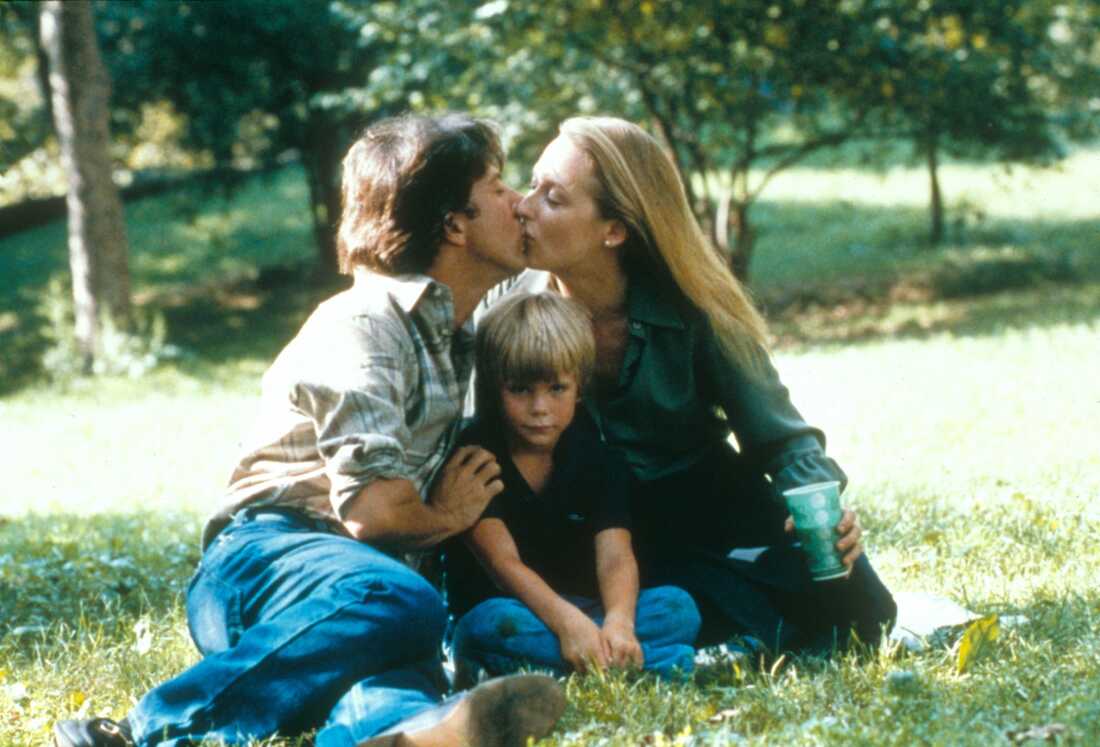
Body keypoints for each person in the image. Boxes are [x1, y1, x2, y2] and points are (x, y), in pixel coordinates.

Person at [52, 114, 566, 747]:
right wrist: (445, 516)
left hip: (359, 597)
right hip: (264, 560)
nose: (520, 203)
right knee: (404, 604)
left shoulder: (454, 332)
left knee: (399, 675)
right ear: (454, 224)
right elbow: (373, 512)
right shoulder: (367, 322)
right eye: (498, 187)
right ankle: (144, 730)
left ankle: (397, 734)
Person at [501, 116, 897, 656]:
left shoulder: (695, 309)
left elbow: (782, 437)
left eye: (552, 197)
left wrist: (822, 512)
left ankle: (703, 618)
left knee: (862, 612)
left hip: (704, 501)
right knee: (690, 600)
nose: (523, 206)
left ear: (614, 230)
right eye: (531, 185)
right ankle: (704, 619)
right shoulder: (512, 309)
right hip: (594, 524)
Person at [442, 291, 700, 683]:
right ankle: (661, 665)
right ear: (495, 388)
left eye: (556, 389)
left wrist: (619, 623)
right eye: (520, 389)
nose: (540, 408)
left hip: (586, 611)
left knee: (678, 607)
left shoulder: (594, 453)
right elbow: (502, 564)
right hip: (516, 611)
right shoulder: (476, 457)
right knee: (491, 625)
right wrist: (568, 625)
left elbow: (615, 557)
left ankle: (584, 662)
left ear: (579, 386)